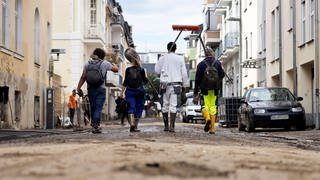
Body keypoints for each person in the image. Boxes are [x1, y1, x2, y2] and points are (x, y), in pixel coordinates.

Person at [76, 48, 118, 133]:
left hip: (90, 89)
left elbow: (83, 77)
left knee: (93, 107)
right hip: (100, 89)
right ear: (102, 56)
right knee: (98, 108)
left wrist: (78, 87)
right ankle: (96, 126)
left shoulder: (87, 64)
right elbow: (115, 70)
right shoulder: (105, 63)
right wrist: (114, 64)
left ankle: (94, 124)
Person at [155, 42, 189, 132]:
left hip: (164, 85)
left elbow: (157, 71)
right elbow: (184, 73)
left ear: (167, 48)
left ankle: (166, 126)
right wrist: (185, 84)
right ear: (175, 49)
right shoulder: (180, 59)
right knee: (173, 105)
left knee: (165, 105)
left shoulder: (162, 58)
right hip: (176, 84)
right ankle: (172, 127)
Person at [193, 47, 225, 134]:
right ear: (212, 53)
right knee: (213, 107)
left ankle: (207, 119)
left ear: (205, 54)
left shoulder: (200, 65)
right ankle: (212, 129)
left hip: (204, 89)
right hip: (215, 89)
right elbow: (222, 75)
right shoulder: (217, 63)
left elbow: (197, 79)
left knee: (204, 106)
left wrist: (195, 92)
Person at [120, 47, 148, 132]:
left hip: (130, 91)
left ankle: (131, 124)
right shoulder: (142, 70)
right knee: (139, 108)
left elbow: (125, 82)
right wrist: (145, 75)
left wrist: (121, 92)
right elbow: (145, 82)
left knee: (131, 107)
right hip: (140, 91)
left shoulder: (128, 70)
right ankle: (135, 126)